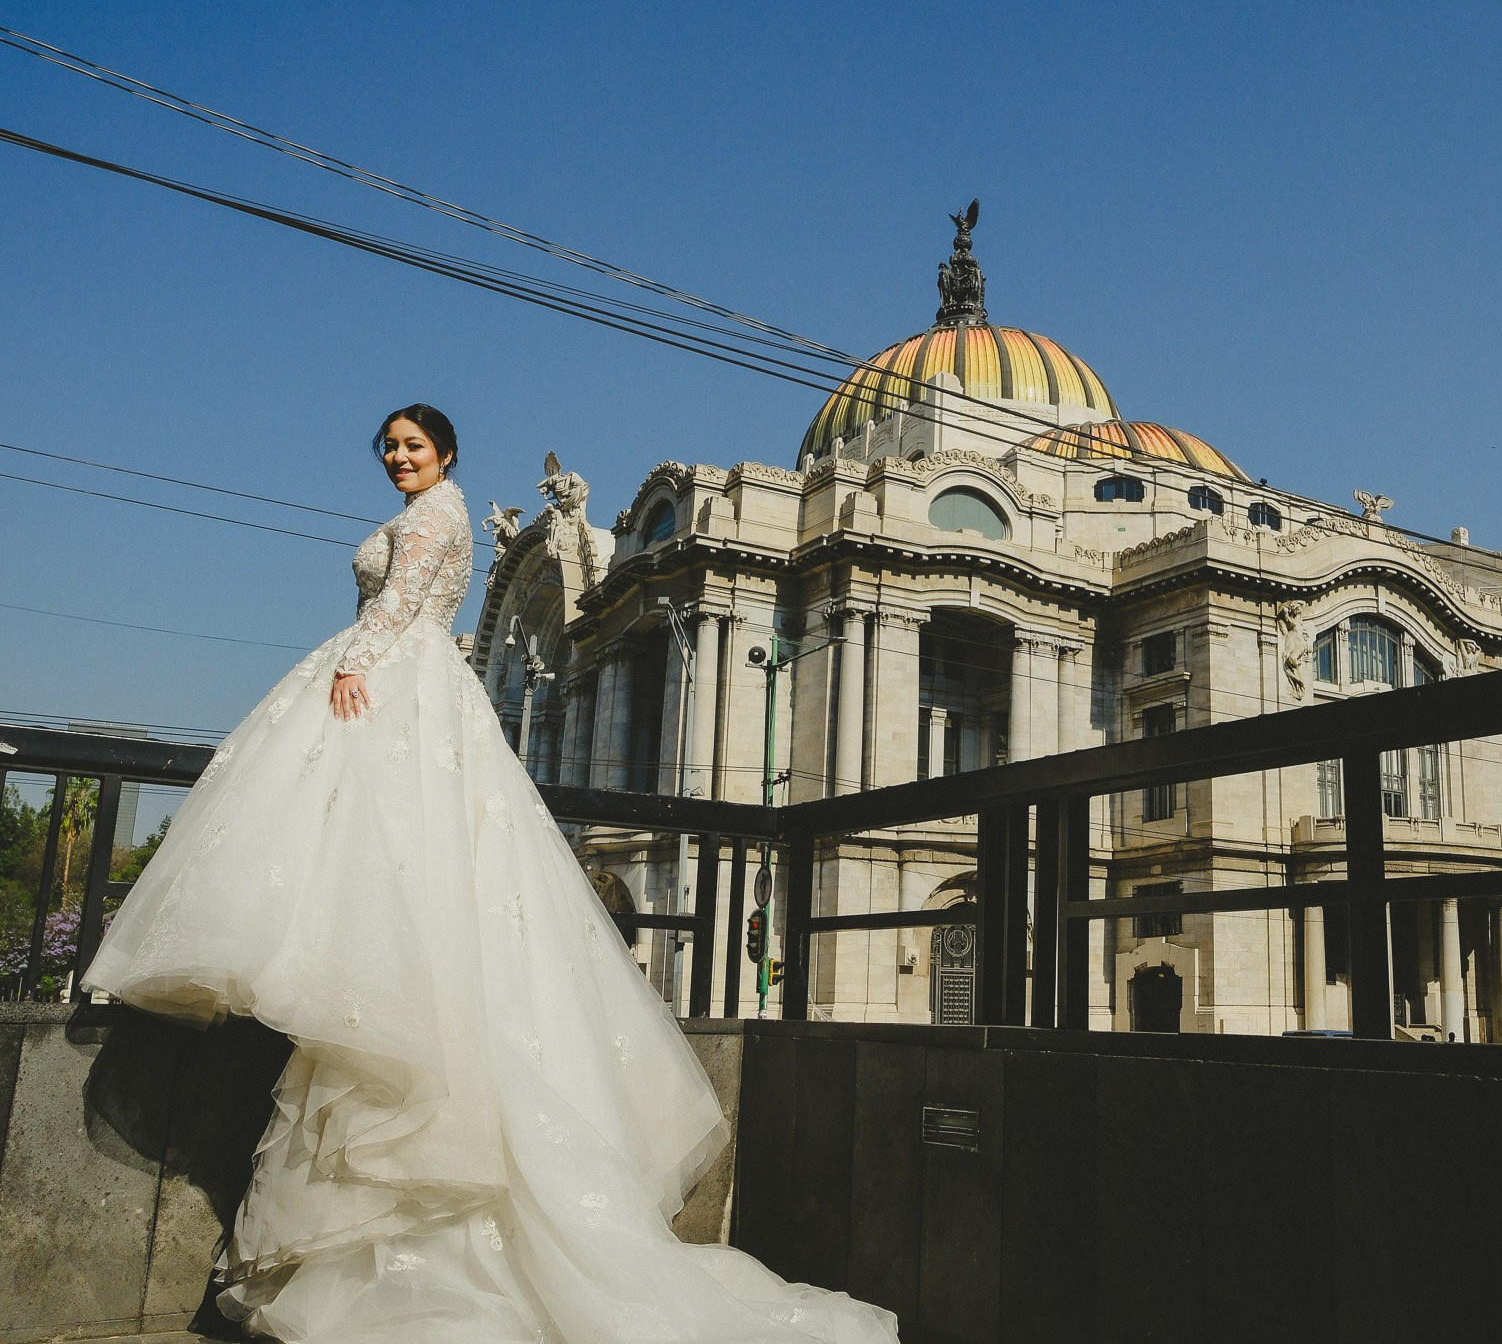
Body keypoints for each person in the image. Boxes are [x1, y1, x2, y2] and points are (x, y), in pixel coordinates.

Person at [83, 405, 897, 1343]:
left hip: (395, 680)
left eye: (413, 446)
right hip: (417, 693)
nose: (399, 457)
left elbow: (398, 603)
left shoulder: (437, 515)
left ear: (447, 454)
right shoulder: (435, 511)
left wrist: (353, 662)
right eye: (390, 446)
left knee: (388, 872)